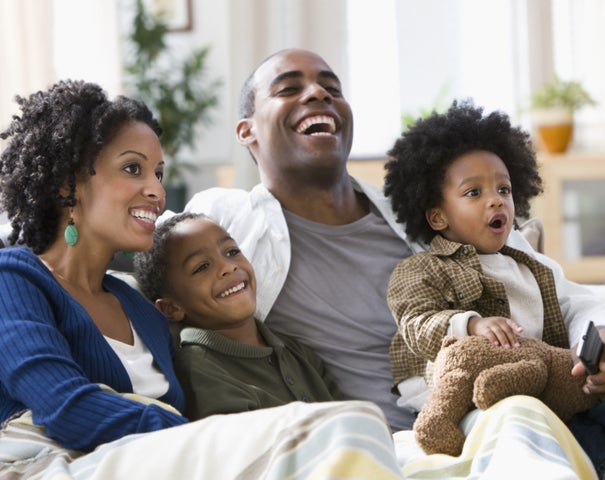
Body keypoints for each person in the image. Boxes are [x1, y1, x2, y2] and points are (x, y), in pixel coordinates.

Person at [185, 48, 605, 479]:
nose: (318, 92)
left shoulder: (421, 213)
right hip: (437, 424)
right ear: (247, 131)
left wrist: (604, 334)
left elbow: (553, 284)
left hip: (539, 382)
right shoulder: (229, 221)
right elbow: (164, 264)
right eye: (289, 88)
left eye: (330, 85)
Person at [0, 79, 408, 479]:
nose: (156, 192)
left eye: (158, 174)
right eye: (132, 169)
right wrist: (198, 436)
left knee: (356, 429)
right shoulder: (16, 279)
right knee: (345, 427)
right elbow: (65, 408)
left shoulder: (140, 307)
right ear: (69, 183)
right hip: (51, 463)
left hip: (161, 462)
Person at [383, 100, 605, 479]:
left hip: (536, 380)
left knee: (577, 424)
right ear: (437, 216)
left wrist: (597, 343)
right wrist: (471, 324)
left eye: (503, 188)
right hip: (463, 395)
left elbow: (577, 304)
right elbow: (417, 322)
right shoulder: (422, 269)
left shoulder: (530, 265)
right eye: (473, 193)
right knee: (519, 423)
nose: (496, 199)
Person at [133, 212, 339, 419]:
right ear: (171, 308)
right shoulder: (199, 370)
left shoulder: (297, 353)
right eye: (202, 267)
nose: (228, 267)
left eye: (231, 251)